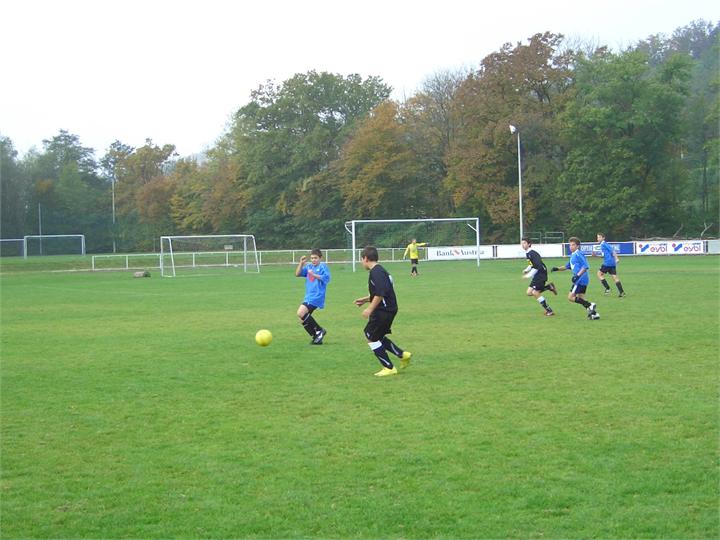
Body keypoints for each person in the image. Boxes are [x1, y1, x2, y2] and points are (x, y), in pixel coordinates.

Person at [354, 246, 412, 377]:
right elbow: (382, 292)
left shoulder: (376, 272)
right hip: (389, 308)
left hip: (383, 310)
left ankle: (388, 367)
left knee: (370, 335)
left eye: (361, 259)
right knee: (377, 336)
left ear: (366, 258)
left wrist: (369, 309)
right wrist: (365, 300)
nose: (361, 262)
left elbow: (380, 293)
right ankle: (402, 355)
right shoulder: (381, 270)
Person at [551, 237, 600, 320]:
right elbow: (567, 266)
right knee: (581, 299)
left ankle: (590, 305)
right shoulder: (573, 255)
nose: (571, 246)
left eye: (573, 245)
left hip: (580, 279)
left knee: (570, 297)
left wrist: (577, 275)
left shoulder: (578, 254)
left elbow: (586, 266)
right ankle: (594, 314)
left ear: (577, 246)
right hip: (582, 279)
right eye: (570, 245)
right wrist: (557, 269)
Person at [295, 248, 331, 344]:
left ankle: (320, 330)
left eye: (315, 258)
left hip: (317, 296)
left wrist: (314, 275)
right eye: (312, 258)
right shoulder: (309, 267)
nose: (313, 260)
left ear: (320, 258)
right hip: (309, 296)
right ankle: (317, 337)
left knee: (300, 312)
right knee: (302, 319)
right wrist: (301, 264)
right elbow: (297, 274)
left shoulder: (323, 267)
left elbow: (327, 278)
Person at [521, 237, 557, 316]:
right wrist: (526, 270)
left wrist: (528, 275)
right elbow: (532, 265)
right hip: (538, 274)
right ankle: (549, 287)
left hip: (541, 273)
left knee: (535, 292)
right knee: (529, 292)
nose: (523, 245)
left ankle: (549, 311)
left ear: (529, 244)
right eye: (522, 243)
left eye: (524, 243)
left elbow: (537, 266)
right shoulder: (528, 253)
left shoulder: (532, 253)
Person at [596, 233, 626, 297]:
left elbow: (613, 251)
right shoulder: (602, 245)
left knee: (599, 274)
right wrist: (596, 256)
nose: (598, 239)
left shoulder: (604, 244)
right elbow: (605, 255)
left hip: (607, 263)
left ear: (603, 238)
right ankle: (622, 292)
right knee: (614, 277)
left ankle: (608, 288)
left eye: (599, 237)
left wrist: (617, 258)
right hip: (612, 263)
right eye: (597, 237)